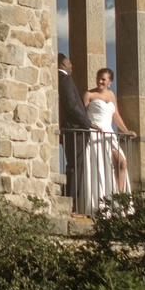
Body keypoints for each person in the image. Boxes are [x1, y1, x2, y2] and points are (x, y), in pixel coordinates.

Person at [83, 67, 132, 207]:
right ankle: (103, 202)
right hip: (96, 133)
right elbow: (82, 116)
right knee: (102, 167)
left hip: (109, 134)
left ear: (109, 81)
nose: (100, 81)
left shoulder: (111, 95)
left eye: (103, 79)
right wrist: (91, 126)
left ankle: (119, 199)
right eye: (98, 78)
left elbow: (115, 115)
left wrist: (126, 130)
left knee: (122, 163)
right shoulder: (89, 94)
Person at [58, 52, 91, 212]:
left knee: (73, 164)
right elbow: (72, 106)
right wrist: (86, 123)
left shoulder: (58, 79)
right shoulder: (65, 80)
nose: (72, 67)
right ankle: (72, 203)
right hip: (74, 129)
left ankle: (69, 199)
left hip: (69, 129)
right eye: (70, 63)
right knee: (76, 166)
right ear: (64, 63)